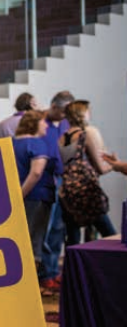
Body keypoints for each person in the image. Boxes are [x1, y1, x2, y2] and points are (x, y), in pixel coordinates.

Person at [11, 110, 59, 295]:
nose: (46, 125)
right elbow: (36, 173)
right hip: (36, 196)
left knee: (22, 240)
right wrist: (20, 194)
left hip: (19, 197)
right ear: (34, 124)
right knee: (34, 241)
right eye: (43, 122)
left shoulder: (12, 143)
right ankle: (32, 287)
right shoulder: (37, 143)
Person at [59, 99, 117, 244]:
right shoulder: (88, 133)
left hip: (68, 191)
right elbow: (101, 168)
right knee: (110, 234)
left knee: (73, 238)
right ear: (82, 113)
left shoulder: (62, 138)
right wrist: (115, 164)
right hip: (87, 191)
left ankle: (74, 267)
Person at [39, 91, 74, 291]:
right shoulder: (40, 122)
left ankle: (53, 271)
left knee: (59, 228)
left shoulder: (66, 124)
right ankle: (45, 273)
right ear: (53, 107)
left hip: (63, 179)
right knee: (46, 228)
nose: (64, 116)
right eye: (62, 112)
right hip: (45, 181)